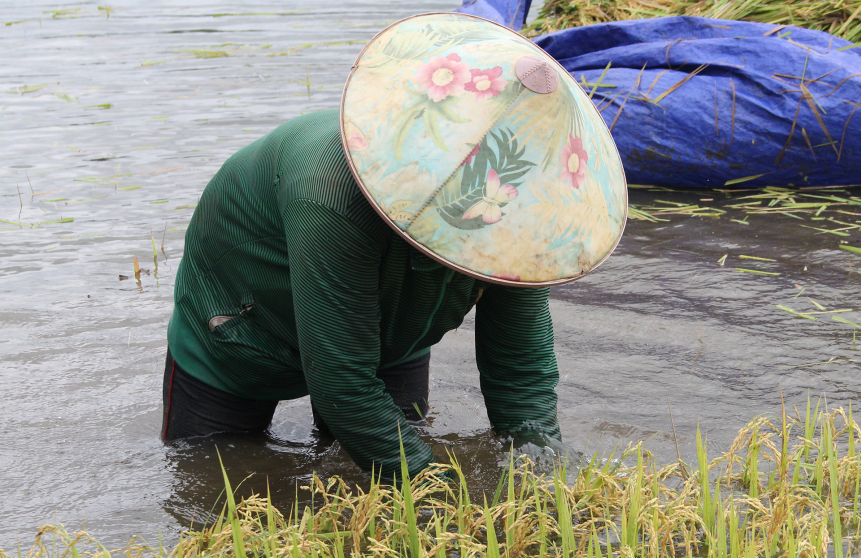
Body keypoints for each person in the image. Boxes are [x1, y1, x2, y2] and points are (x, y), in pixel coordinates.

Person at [161, 12, 627, 480]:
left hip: (394, 333)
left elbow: (520, 369)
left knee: (375, 467)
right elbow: (342, 384)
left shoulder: (518, 217)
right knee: (214, 480)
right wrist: (440, 497)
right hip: (240, 329)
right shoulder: (329, 192)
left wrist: (541, 472)